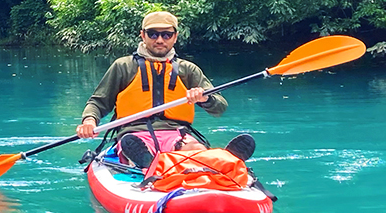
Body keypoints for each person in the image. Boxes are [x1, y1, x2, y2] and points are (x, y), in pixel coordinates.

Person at [75, 10, 255, 171]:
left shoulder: (188, 69)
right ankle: (149, 164)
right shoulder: (124, 66)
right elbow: (98, 102)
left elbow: (220, 106)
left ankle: (222, 161)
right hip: (134, 134)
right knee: (141, 152)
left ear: (175, 37)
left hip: (177, 133)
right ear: (142, 35)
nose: (159, 40)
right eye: (152, 34)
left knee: (196, 149)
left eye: (166, 34)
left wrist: (203, 99)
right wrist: (89, 121)